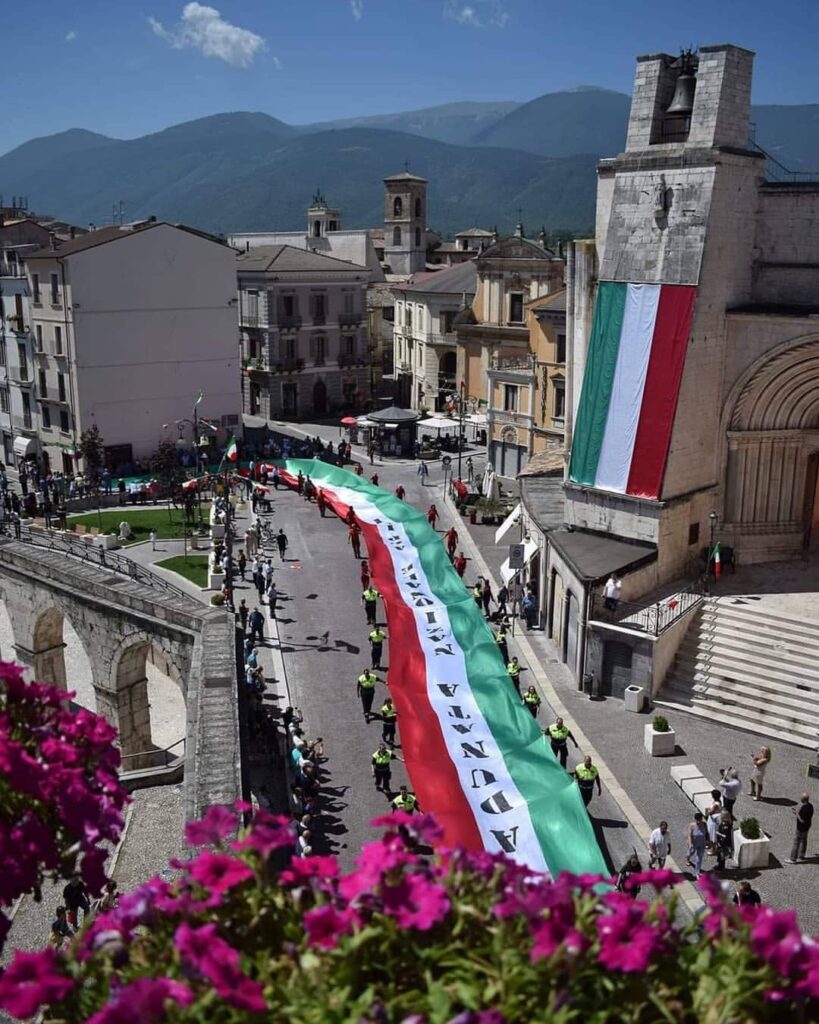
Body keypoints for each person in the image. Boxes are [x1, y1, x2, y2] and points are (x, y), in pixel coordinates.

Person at [787, 792, 814, 863]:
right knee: (804, 840)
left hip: (801, 828)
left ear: (803, 799)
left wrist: (796, 814)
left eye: (801, 798)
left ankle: (793, 858)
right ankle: (801, 855)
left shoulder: (804, 808)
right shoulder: (810, 806)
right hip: (807, 827)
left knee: (796, 842)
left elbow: (801, 820)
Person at [686, 812, 709, 878]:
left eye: (700, 820)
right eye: (697, 820)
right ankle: (687, 859)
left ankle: (697, 872)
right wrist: (690, 844)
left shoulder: (704, 824)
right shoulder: (692, 825)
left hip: (702, 844)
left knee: (699, 859)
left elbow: (707, 833)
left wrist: (708, 841)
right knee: (690, 853)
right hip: (693, 844)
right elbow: (689, 835)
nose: (698, 821)